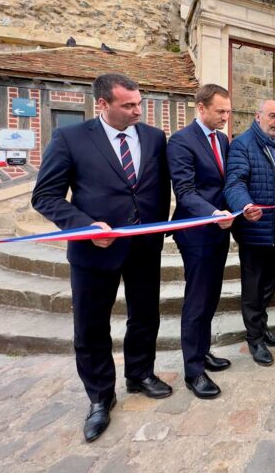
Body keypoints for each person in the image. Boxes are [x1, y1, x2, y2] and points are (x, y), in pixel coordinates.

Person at [31, 73, 172, 443]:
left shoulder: (155, 138)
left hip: (144, 248)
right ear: (102, 105)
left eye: (139, 103)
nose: (137, 111)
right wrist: (85, 225)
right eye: (128, 105)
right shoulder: (71, 138)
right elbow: (45, 196)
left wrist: (162, 228)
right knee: (92, 328)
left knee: (145, 316)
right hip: (93, 253)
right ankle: (99, 396)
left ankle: (140, 374)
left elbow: (158, 189)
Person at [167, 84, 234, 399]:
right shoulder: (181, 141)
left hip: (220, 230)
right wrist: (212, 212)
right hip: (195, 232)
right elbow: (185, 191)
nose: (225, 117)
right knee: (196, 300)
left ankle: (203, 351)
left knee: (211, 296)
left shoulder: (222, 139)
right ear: (201, 108)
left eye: (228, 111)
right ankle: (193, 371)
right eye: (220, 111)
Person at [224, 100, 275, 367]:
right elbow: (235, 182)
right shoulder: (243, 144)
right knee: (253, 287)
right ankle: (254, 338)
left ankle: (261, 327)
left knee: (271, 280)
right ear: (258, 116)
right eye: (272, 116)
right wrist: (245, 205)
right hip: (254, 226)